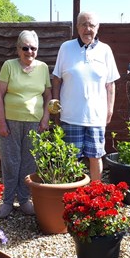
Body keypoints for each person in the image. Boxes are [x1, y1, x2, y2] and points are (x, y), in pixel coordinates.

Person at [52, 11, 120, 181]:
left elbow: (110, 84)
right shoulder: (66, 48)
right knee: (71, 159)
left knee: (95, 157)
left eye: (91, 25)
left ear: (98, 28)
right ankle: (72, 195)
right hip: (70, 116)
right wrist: (55, 105)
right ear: (77, 27)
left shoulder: (105, 50)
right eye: (83, 24)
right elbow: (56, 79)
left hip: (96, 117)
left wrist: (110, 109)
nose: (87, 29)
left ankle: (94, 195)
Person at [0, 30, 51, 219]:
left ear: (37, 49)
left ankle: (25, 200)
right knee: (10, 162)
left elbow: (48, 95)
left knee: (29, 162)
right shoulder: (8, 66)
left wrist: (45, 119)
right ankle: (8, 201)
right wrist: (1, 122)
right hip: (11, 121)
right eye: (25, 48)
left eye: (33, 48)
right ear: (18, 49)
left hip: (34, 123)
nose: (29, 51)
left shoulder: (43, 68)